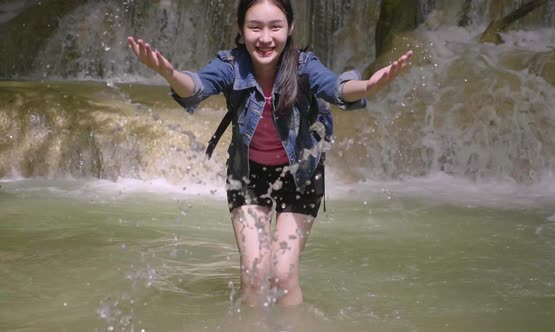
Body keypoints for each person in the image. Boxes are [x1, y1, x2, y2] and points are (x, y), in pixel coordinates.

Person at [128, 0, 412, 307]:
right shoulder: (231, 65)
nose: (265, 38)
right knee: (254, 273)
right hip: (248, 175)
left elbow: (336, 89)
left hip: (301, 174)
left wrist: (367, 85)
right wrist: (169, 73)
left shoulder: (304, 66)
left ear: (290, 28)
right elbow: (195, 86)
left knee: (282, 275)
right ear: (241, 30)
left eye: (275, 27)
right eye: (255, 27)